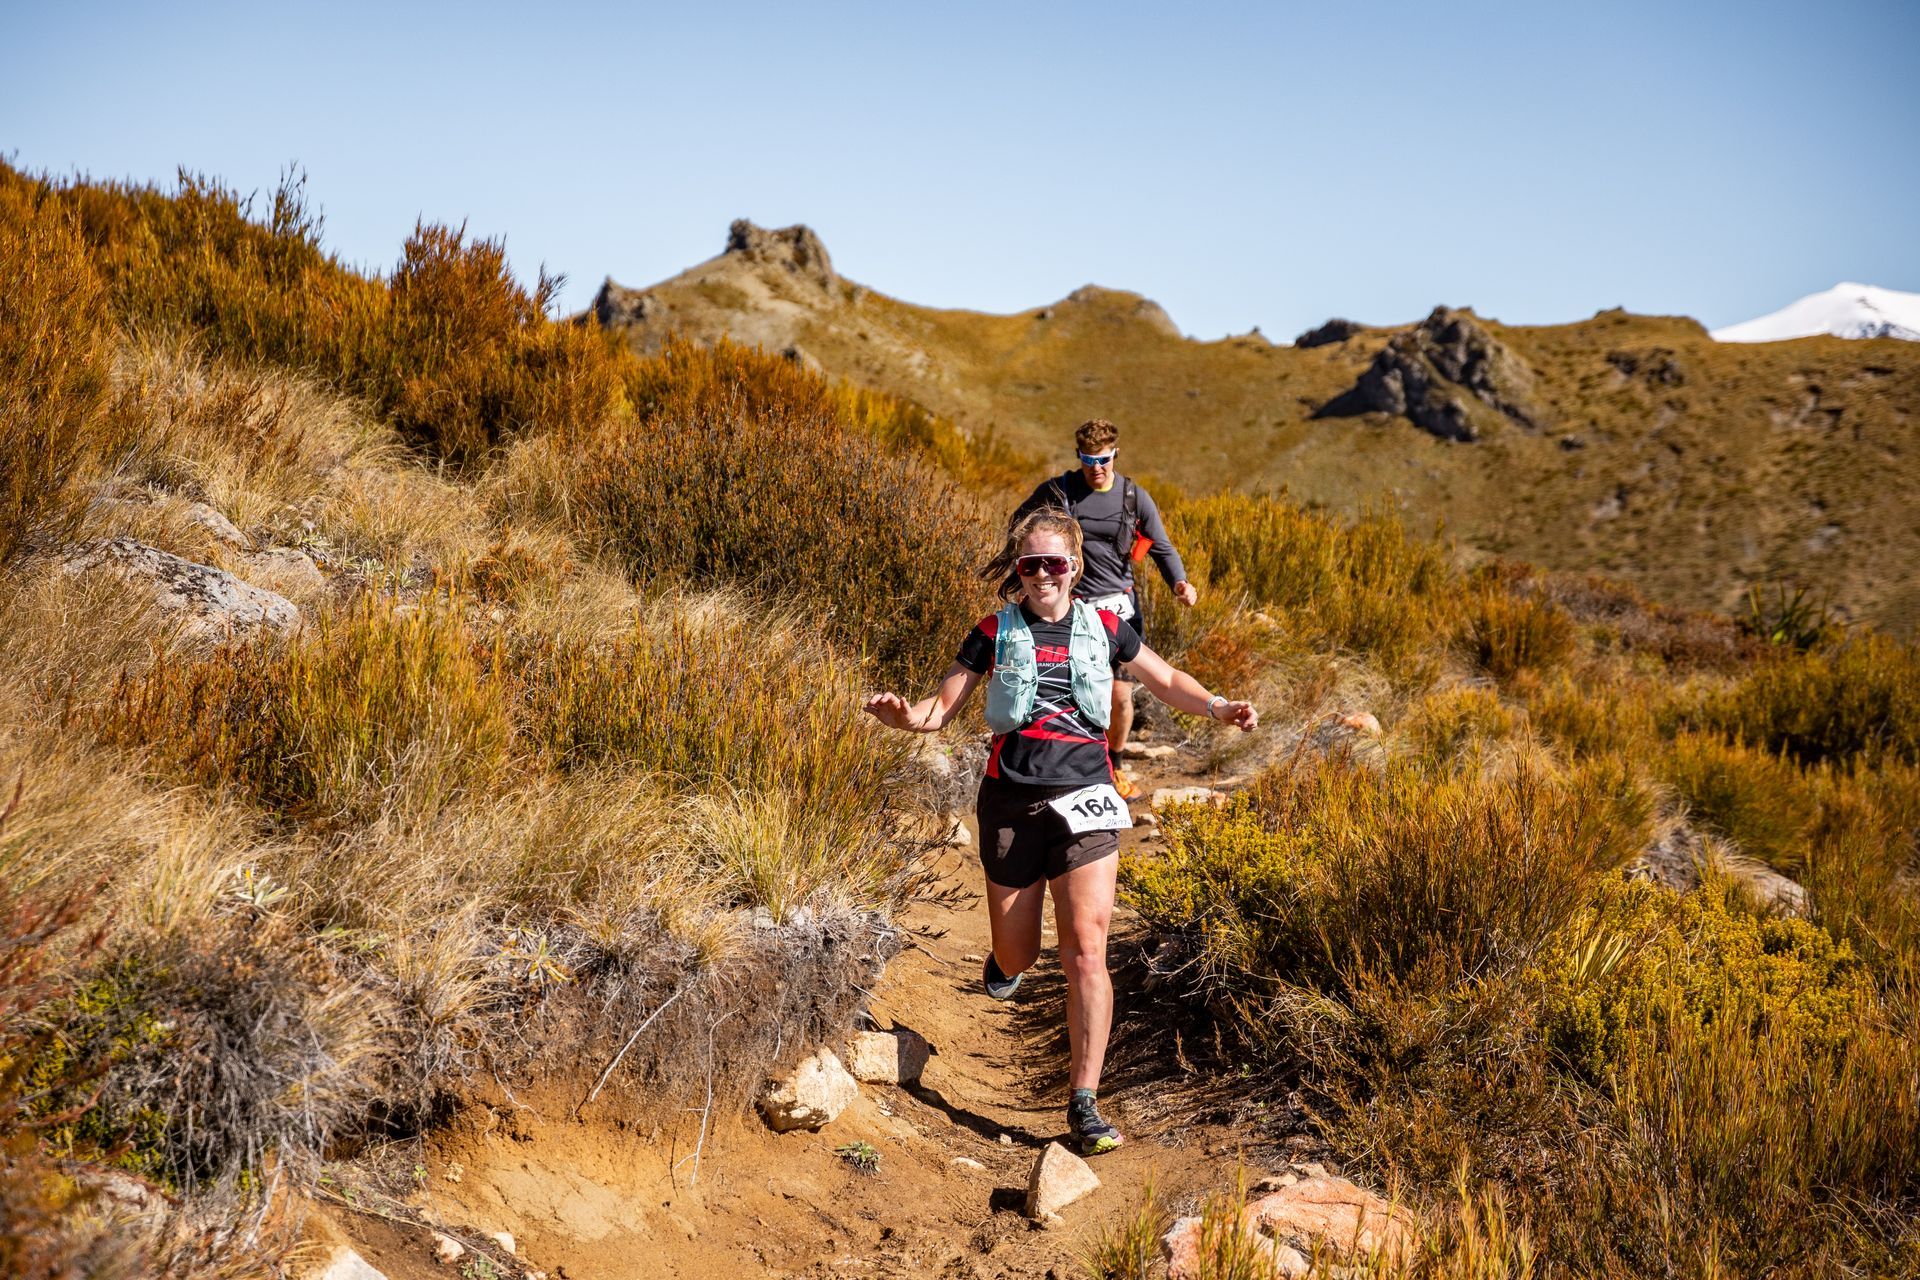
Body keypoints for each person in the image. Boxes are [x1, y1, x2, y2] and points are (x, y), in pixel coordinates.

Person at [864, 507, 1257, 1156]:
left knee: (1085, 948)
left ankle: (1084, 1102)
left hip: (1086, 803)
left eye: (1054, 563)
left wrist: (1218, 706)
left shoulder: (1107, 626)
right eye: (1030, 564)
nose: (1042, 574)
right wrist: (906, 718)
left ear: (1075, 568)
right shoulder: (992, 631)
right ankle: (1004, 962)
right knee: (1019, 956)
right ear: (1018, 571)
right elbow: (942, 707)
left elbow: (1166, 680)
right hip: (1011, 806)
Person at [1010, 419, 1197, 799]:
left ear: (1116, 454)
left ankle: (1117, 765)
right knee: (1070, 690)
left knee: (1120, 695)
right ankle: (1068, 765)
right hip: (1071, 609)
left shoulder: (1133, 496)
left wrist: (1179, 582)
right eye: (1088, 460)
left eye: (1104, 460)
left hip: (1121, 610)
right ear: (1078, 455)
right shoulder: (1059, 492)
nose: (1096, 468)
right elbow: (1019, 524)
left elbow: (1161, 546)